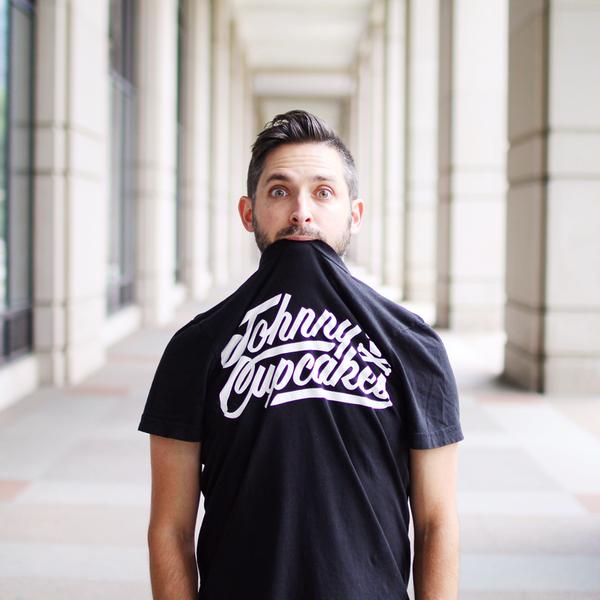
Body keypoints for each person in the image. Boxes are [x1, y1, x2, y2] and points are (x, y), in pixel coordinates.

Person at [138, 109, 464, 600]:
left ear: (355, 214)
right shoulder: (194, 349)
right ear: (248, 212)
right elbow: (170, 529)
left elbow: (437, 521)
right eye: (279, 191)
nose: (301, 212)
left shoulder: (412, 345)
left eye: (323, 192)